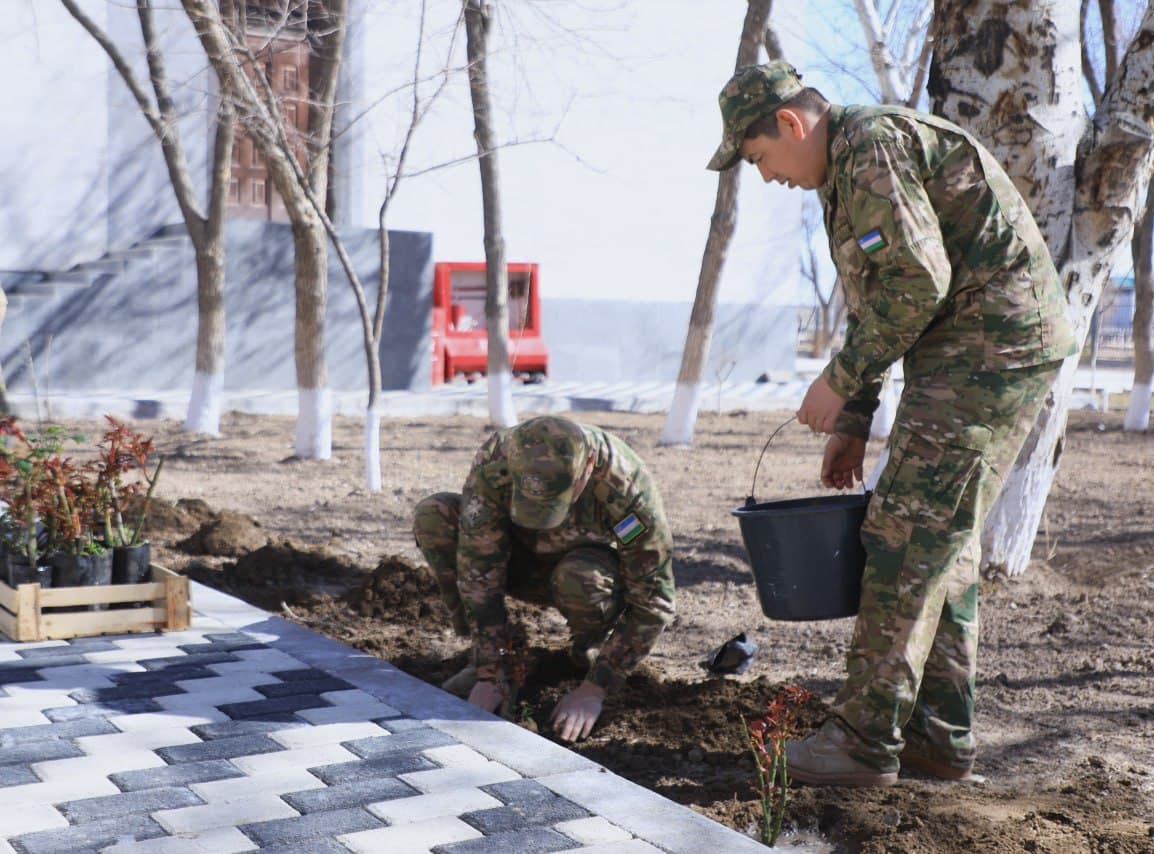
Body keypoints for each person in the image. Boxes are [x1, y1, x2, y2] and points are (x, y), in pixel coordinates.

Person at [707, 60, 1077, 786]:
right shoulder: (839, 172)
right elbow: (878, 296)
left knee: (903, 537)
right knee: (938, 542)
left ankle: (863, 741)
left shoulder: (871, 143)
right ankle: (937, 740)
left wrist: (838, 378)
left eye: (758, 160)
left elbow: (919, 281)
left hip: (992, 347)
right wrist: (855, 415)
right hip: (965, 350)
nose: (766, 178)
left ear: (789, 124)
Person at [413, 415, 675, 742]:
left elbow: (654, 602)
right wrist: (490, 670)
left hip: (581, 577)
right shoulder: (498, 458)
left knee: (581, 577)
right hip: (518, 562)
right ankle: (483, 654)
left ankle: (587, 653)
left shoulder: (626, 488)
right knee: (433, 514)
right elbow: (477, 568)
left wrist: (596, 689)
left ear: (589, 466)